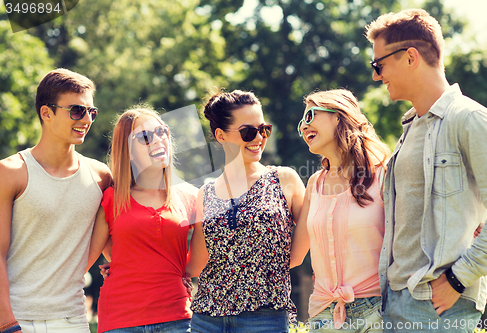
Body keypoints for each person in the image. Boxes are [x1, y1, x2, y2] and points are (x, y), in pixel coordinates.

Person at [365, 9, 487, 332]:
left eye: (378, 64)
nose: (375, 76)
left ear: (410, 57)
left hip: (438, 308)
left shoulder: (469, 119)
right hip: (397, 301)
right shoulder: (411, 127)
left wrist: (458, 278)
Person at [0, 68, 112, 333]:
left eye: (91, 112)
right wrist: (6, 323)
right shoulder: (10, 172)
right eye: (77, 110)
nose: (86, 119)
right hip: (17, 318)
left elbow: (115, 240)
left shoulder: (101, 176)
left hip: (72, 320)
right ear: (46, 113)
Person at [185, 89, 305, 333]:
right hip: (206, 319)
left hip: (265, 317)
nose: (259, 138)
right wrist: (133, 264)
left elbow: (299, 254)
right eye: (249, 131)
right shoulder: (205, 193)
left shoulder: (284, 179)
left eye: (264, 129)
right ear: (221, 135)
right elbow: (196, 264)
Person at [87, 106, 197, 333]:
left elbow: (207, 254)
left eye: (162, 131)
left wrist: (179, 271)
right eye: (145, 137)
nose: (157, 140)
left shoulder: (191, 196)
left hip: (177, 317)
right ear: (127, 150)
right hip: (120, 320)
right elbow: (95, 256)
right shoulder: (112, 198)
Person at [290, 89, 391, 332]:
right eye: (301, 122)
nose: (304, 127)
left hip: (377, 312)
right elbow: (293, 255)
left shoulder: (385, 174)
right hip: (323, 314)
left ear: (338, 116)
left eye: (310, 115)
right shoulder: (315, 183)